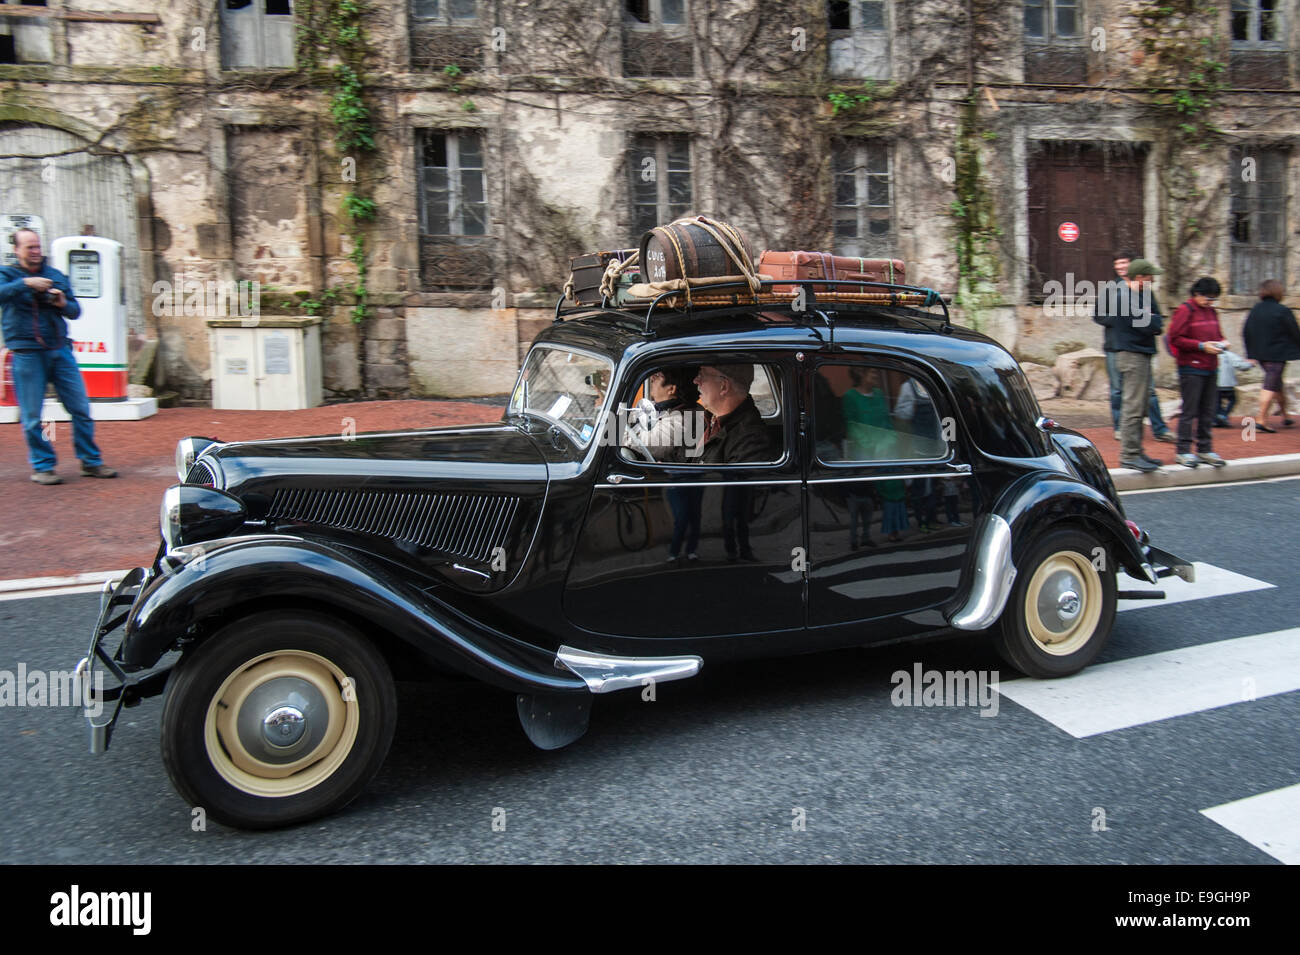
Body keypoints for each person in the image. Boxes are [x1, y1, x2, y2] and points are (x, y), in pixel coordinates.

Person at [0, 228, 116, 484]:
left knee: (81, 408)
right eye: (29, 247)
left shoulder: (54, 276)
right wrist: (25, 284)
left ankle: (90, 461)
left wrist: (62, 302)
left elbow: (75, 311)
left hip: (59, 350)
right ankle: (43, 465)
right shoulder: (6, 275)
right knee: (32, 416)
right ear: (17, 250)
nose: (35, 252)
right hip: (27, 352)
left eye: (37, 246)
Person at [694, 363, 771, 561]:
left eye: (702, 375)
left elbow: (735, 496)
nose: (696, 381)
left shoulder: (749, 436)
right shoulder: (712, 419)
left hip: (723, 532)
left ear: (723, 387)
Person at [1095, 251, 1174, 444]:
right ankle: (1122, 429)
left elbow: (1156, 319)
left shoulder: (1146, 290)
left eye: (1125, 263)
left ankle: (1159, 428)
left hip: (1143, 347)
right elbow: (1099, 315)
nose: (1121, 267)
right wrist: (1122, 318)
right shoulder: (1111, 289)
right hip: (1116, 346)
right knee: (1117, 391)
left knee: (1150, 391)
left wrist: (1142, 320)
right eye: (1118, 263)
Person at [628, 367, 704, 561]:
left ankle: (679, 553)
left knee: (685, 518)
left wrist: (617, 430)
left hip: (685, 478)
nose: (652, 379)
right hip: (679, 477)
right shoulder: (667, 410)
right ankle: (681, 551)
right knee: (684, 517)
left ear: (671, 389)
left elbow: (651, 445)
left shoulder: (686, 416)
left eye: (658, 376)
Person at [1166, 277, 1228, 468]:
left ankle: (1204, 448)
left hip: (1211, 366)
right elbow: (1175, 338)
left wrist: (1222, 343)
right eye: (1208, 298)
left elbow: (1217, 334)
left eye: (1213, 299)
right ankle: (1183, 451)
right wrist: (1201, 346)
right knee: (1189, 410)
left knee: (1208, 410)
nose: (1210, 302)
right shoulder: (1185, 310)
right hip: (1191, 367)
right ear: (1197, 294)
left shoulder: (1211, 312)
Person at [1242, 279, 1300, 433]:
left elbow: (1246, 331)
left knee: (1276, 384)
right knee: (1270, 384)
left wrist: (1250, 353)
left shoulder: (1255, 309)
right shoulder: (1282, 310)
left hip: (1260, 354)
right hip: (1277, 354)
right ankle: (1260, 419)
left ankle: (1285, 415)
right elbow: (1295, 332)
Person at [1214, 345, 1255, 428]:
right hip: (1228, 384)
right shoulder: (1230, 355)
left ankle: (1217, 418)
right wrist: (1250, 364)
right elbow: (1241, 365)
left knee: (1216, 402)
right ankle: (1223, 415)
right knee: (1233, 400)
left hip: (1215, 385)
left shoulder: (1212, 355)